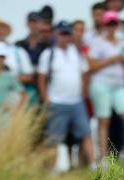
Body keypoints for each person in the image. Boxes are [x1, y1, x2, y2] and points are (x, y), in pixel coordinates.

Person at [38, 20, 95, 170]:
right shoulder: (48, 54)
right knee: (54, 138)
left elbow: (85, 73)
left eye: (67, 34)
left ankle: (93, 164)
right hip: (57, 102)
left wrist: (84, 92)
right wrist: (46, 97)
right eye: (62, 33)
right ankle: (52, 169)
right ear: (56, 34)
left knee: (86, 133)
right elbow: (42, 77)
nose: (65, 37)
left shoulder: (76, 52)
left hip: (76, 101)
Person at [88, 10, 124, 161]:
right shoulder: (97, 42)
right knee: (104, 121)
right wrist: (112, 59)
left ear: (117, 24)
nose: (111, 26)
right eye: (109, 23)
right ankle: (102, 158)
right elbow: (92, 66)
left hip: (119, 85)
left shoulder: (123, 41)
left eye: (114, 23)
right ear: (104, 24)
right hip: (101, 84)